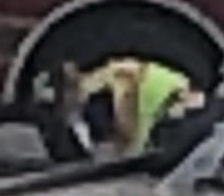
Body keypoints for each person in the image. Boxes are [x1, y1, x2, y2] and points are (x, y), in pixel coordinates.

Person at [73, 53, 201, 157]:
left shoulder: (175, 85)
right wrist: (134, 151)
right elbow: (144, 119)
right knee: (131, 138)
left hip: (131, 75)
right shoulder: (165, 88)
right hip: (133, 80)